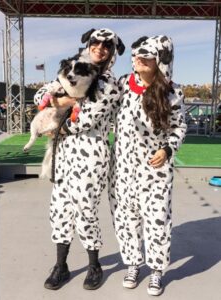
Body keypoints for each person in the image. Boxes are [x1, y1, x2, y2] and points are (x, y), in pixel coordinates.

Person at [34, 28, 125, 290]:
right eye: (96, 42)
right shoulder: (72, 69)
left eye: (107, 45)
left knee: (86, 210)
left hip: (91, 153)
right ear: (88, 44)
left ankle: (94, 265)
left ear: (112, 52)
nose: (100, 48)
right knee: (59, 209)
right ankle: (61, 266)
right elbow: (42, 95)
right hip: (63, 154)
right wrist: (63, 98)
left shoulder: (109, 85)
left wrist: (54, 120)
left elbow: (84, 122)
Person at [109, 35, 186, 296]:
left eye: (146, 57)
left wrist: (167, 149)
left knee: (157, 220)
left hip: (155, 171)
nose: (138, 60)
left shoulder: (173, 91)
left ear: (160, 61)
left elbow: (179, 127)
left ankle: (156, 271)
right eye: (136, 56)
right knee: (126, 220)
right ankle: (133, 264)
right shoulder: (122, 85)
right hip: (123, 170)